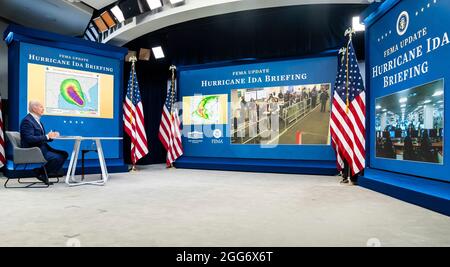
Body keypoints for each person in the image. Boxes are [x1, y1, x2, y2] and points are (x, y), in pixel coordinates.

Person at [20, 101, 68, 185]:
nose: (43, 109)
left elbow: (42, 138)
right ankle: (42, 173)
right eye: (41, 107)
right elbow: (29, 139)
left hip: (41, 147)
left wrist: (51, 136)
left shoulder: (37, 121)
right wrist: (47, 136)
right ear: (34, 108)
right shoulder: (27, 121)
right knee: (56, 158)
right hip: (33, 150)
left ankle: (42, 172)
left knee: (64, 154)